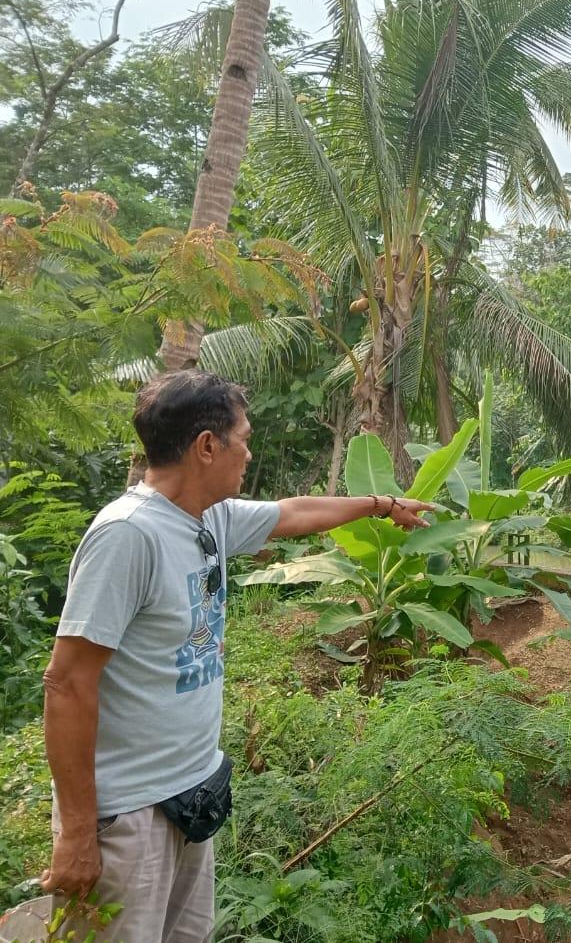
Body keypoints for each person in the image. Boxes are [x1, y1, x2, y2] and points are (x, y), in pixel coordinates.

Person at [40, 371, 434, 942]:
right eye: (243, 438)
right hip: (127, 818)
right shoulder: (128, 536)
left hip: (191, 794)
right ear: (206, 446)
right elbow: (67, 683)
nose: (249, 451)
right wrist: (77, 832)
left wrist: (382, 504)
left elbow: (295, 513)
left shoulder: (211, 518)